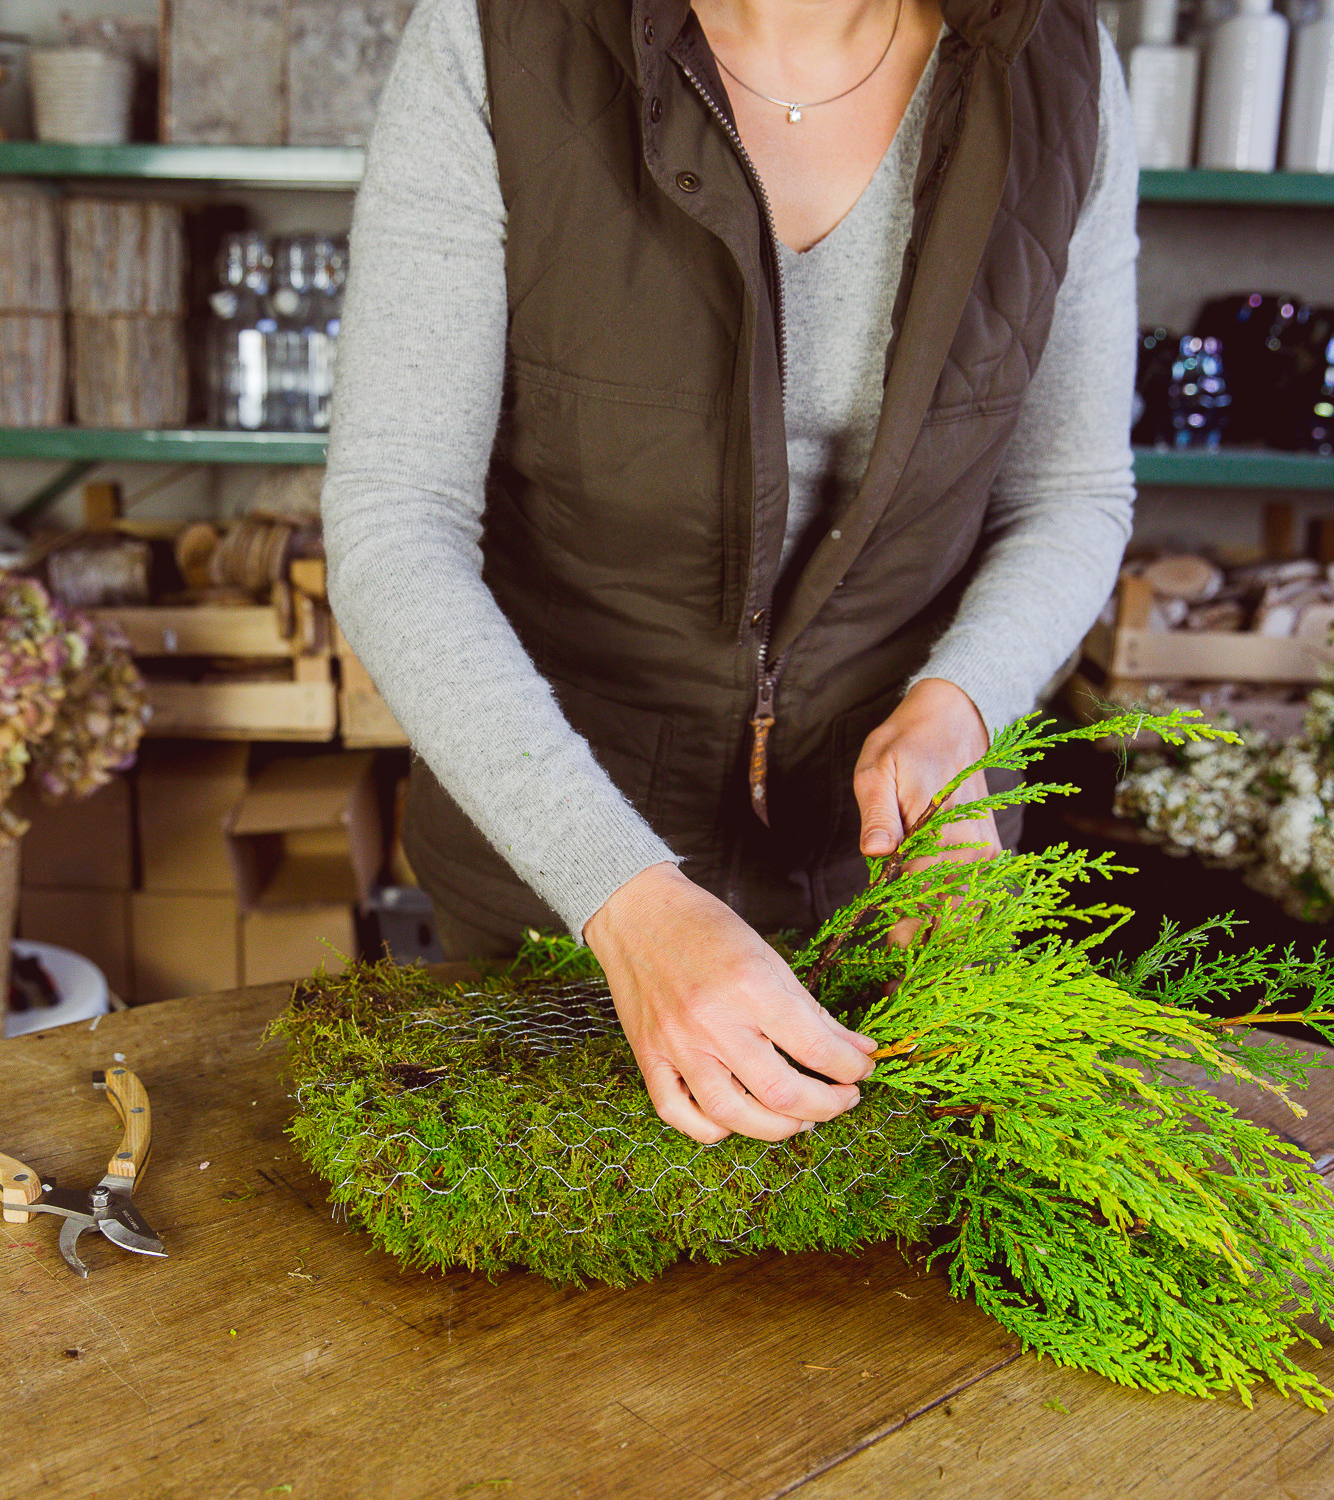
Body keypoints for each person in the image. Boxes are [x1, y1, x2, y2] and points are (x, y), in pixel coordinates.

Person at [324, 0, 1137, 1146]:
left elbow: (1073, 494)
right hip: (561, 875)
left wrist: (960, 708)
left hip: (892, 892)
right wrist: (625, 897)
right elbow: (393, 518)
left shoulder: (1054, 63)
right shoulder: (501, 38)